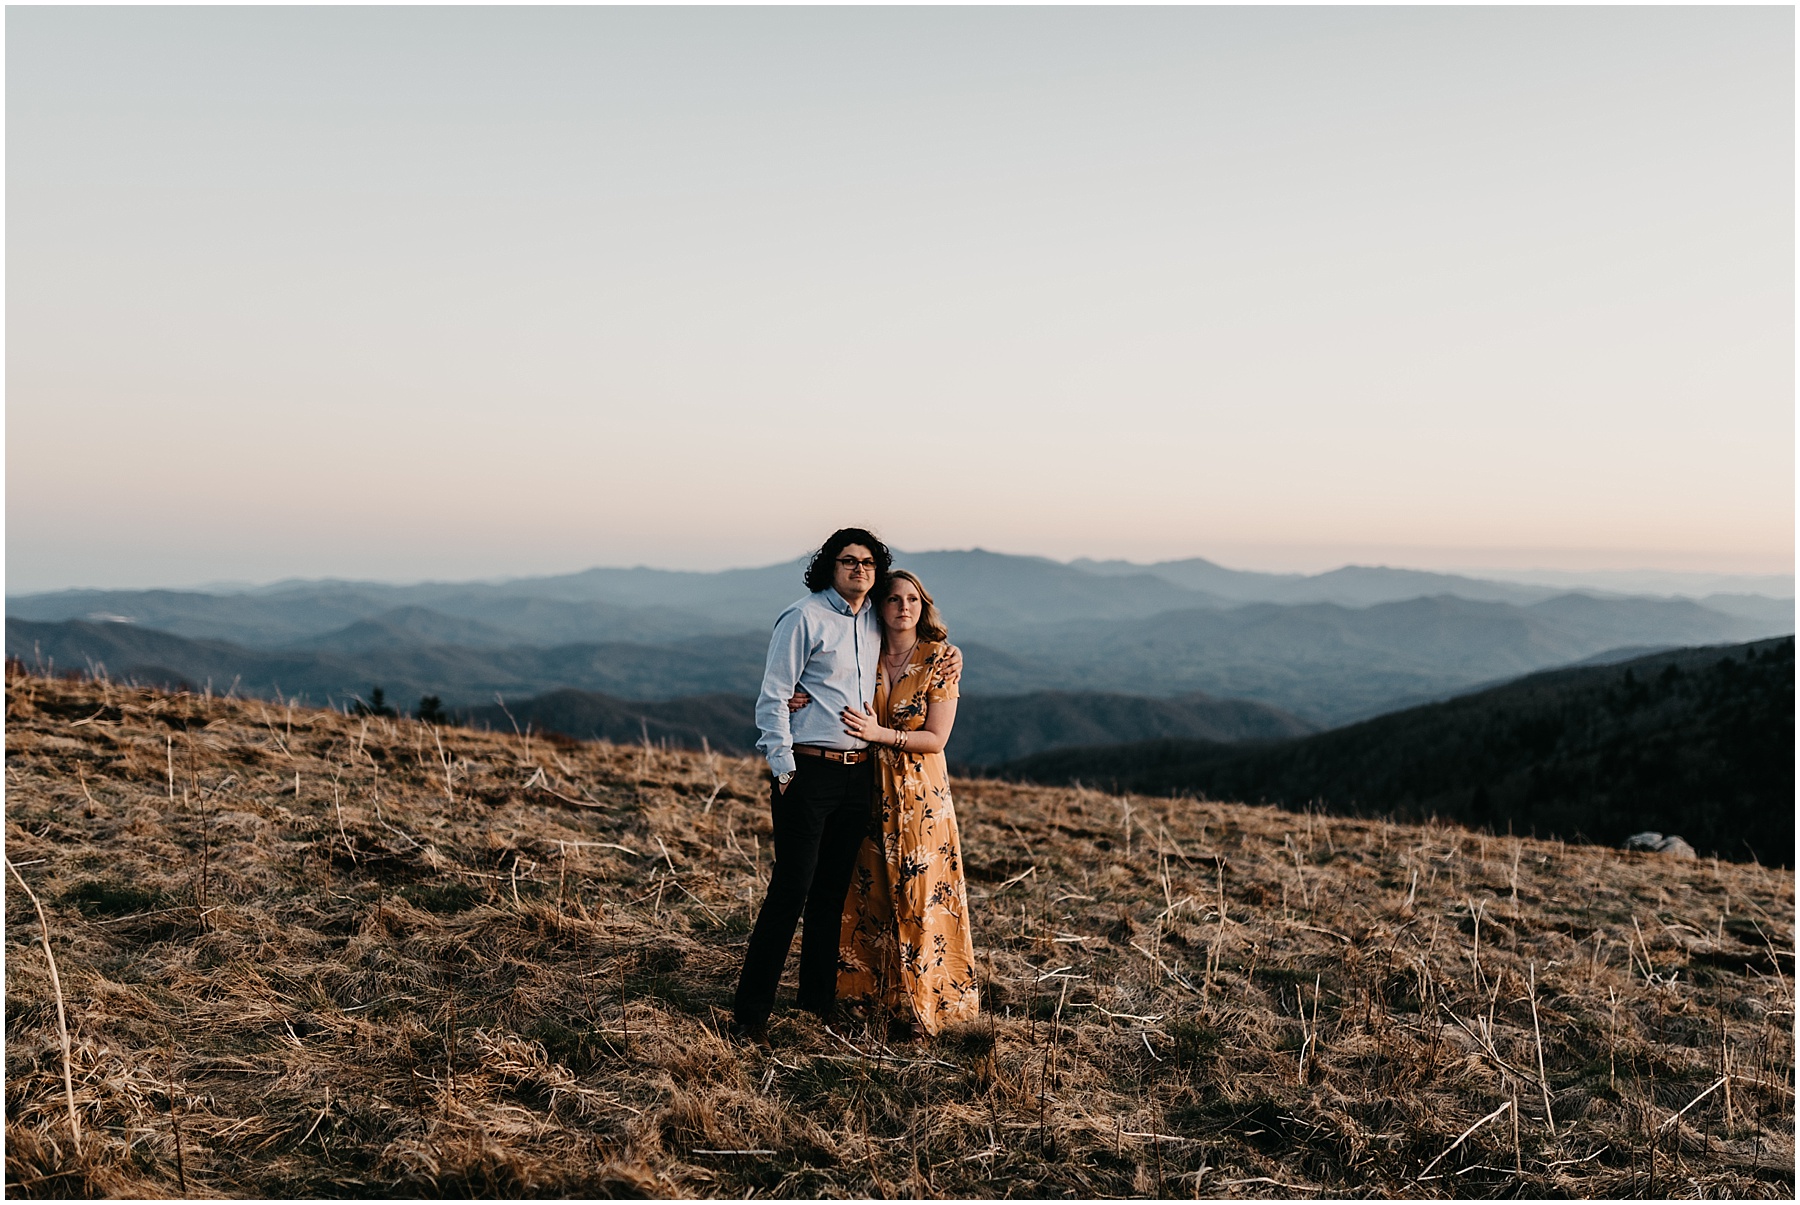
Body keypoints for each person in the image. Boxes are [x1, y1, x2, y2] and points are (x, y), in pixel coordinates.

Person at [732, 529, 961, 1046]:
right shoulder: (804, 617)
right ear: (829, 567)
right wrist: (783, 768)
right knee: (790, 890)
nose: (859, 569)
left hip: (859, 774)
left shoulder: (873, 624)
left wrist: (950, 655)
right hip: (808, 773)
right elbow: (772, 697)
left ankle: (815, 1007)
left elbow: (916, 653)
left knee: (831, 898)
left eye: (867, 563)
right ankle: (750, 1015)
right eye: (848, 561)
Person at [795, 570, 979, 1039]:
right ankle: (868, 997)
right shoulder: (863, 652)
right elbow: (824, 684)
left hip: (920, 798)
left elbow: (936, 738)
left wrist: (882, 734)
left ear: (924, 605)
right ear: (880, 607)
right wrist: (799, 698)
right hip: (863, 787)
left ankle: (925, 1006)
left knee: (920, 896)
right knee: (869, 892)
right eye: (894, 598)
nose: (903, 606)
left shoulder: (939, 660)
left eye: (912, 598)